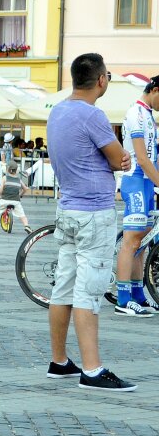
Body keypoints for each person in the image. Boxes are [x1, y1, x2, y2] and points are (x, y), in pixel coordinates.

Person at [46, 54, 134, 390]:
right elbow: (118, 158)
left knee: (63, 287)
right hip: (94, 213)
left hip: (67, 208)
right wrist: (116, 159)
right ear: (100, 80)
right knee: (89, 289)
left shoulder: (58, 111)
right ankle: (93, 369)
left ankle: (59, 361)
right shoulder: (93, 115)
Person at [113, 75, 159, 316]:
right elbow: (141, 158)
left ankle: (138, 295)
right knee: (131, 241)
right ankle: (122, 299)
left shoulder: (149, 115)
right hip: (135, 180)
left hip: (147, 183)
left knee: (141, 242)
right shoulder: (136, 113)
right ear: (155, 90)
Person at [0, 161, 31, 233]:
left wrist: (0, 195)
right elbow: (25, 189)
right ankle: (27, 226)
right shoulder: (19, 180)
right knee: (22, 214)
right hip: (16, 201)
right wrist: (20, 195)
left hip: (4, 200)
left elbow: (0, 190)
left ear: (7, 169)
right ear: (16, 170)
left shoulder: (5, 178)